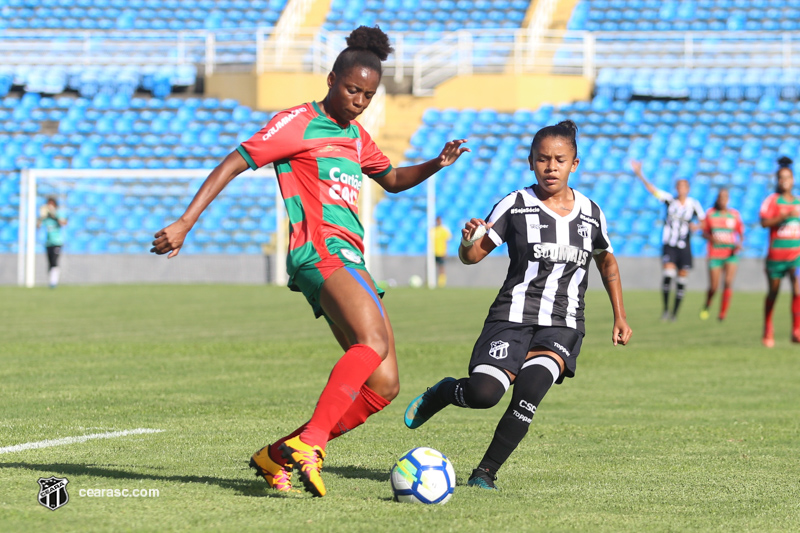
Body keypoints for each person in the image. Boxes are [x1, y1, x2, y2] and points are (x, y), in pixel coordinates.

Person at [150, 26, 469, 497]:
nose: (359, 100)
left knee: (383, 385)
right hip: (319, 253)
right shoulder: (299, 123)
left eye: (368, 94)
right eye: (352, 89)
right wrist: (185, 221)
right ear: (331, 79)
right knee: (373, 339)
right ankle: (312, 444)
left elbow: (395, 178)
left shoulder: (356, 137)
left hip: (351, 259)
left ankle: (276, 454)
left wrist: (435, 165)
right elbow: (236, 160)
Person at [403, 121, 632, 490]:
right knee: (484, 395)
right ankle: (445, 392)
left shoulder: (591, 213)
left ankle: (485, 472)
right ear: (530, 162)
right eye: (542, 159)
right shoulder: (515, 204)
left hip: (563, 323)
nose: (551, 167)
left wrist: (620, 315)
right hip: (511, 317)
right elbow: (472, 257)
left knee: (529, 392)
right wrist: (466, 242)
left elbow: (606, 260)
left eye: (559, 159)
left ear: (575, 164)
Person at [631, 161, 704, 321]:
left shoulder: (693, 204)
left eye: (684, 187)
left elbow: (704, 222)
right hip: (669, 245)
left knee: (682, 279)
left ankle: (675, 313)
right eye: (679, 186)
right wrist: (639, 174)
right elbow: (653, 190)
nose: (681, 189)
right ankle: (665, 309)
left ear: (688, 189)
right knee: (668, 274)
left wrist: (696, 227)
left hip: (685, 246)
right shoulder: (670, 200)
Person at [759, 156, 800, 347]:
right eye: (781, 178)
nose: (785, 181)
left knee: (798, 289)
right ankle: (768, 327)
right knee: (773, 292)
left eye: (788, 177)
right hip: (776, 257)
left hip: (796, 256)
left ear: (793, 180)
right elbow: (764, 222)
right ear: (777, 180)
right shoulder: (772, 201)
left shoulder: (798, 203)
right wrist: (782, 217)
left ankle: (796, 330)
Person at [700, 188, 744, 321]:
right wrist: (712, 239)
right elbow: (704, 232)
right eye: (721, 197)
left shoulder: (734, 215)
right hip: (715, 254)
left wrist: (739, 243)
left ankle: (723, 313)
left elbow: (741, 234)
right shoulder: (711, 214)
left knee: (728, 282)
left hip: (731, 253)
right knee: (714, 286)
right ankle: (707, 304)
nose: (723, 200)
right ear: (717, 199)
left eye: (725, 197)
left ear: (728, 199)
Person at [37, 197, 67, 289]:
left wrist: (55, 214)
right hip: (48, 243)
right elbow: (37, 226)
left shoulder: (58, 215)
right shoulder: (46, 218)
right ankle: (51, 281)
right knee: (50, 263)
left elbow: (64, 223)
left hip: (57, 242)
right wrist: (41, 217)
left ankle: (54, 282)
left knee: (54, 262)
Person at [433, 215, 452, 287]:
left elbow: (447, 241)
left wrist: (446, 251)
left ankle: (441, 283)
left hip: (441, 252)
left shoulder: (444, 230)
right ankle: (430, 281)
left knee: (441, 267)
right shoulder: (433, 229)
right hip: (433, 252)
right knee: (430, 267)